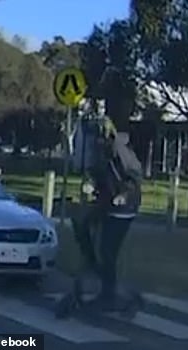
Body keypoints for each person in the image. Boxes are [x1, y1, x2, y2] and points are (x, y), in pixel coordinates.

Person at [75, 117, 143, 310]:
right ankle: (92, 267)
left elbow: (135, 178)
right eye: (94, 138)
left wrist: (124, 194)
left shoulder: (121, 152)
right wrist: (90, 183)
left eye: (99, 137)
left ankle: (109, 292)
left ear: (108, 135)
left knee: (107, 251)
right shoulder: (99, 152)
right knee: (82, 224)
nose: (97, 142)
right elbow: (95, 173)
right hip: (106, 202)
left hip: (123, 209)